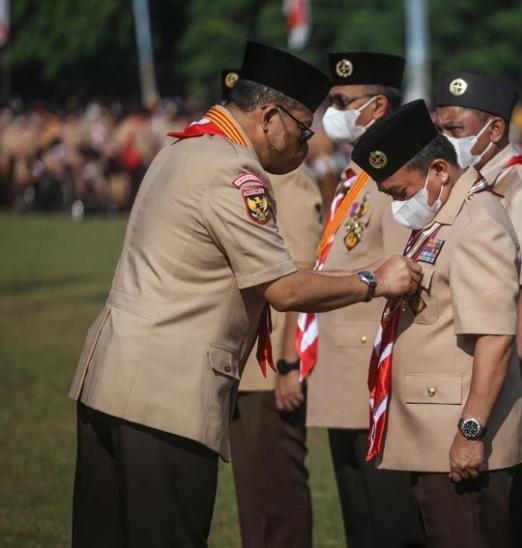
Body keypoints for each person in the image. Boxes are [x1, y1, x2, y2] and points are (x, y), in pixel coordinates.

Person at [69, 41, 421, 548]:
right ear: (269, 116)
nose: (306, 145)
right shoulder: (233, 171)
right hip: (163, 396)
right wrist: (373, 281)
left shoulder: (183, 147)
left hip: (110, 381)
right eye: (303, 130)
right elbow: (284, 286)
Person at [351, 99, 522, 548]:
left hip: (461, 442)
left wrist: (471, 431)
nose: (397, 205)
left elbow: (495, 337)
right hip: (433, 437)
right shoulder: (441, 218)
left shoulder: (475, 225)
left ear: (439, 171)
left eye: (399, 192)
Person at [297, 51, 424, 548]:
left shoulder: (393, 180)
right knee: (360, 522)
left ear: (375, 108)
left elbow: (402, 277)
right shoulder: (357, 176)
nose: (330, 111)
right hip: (343, 374)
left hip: (372, 373)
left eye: (341, 101)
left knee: (388, 522)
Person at [435, 71, 522, 547]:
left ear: (494, 130)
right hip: (481, 381)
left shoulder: (521, 190)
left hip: (504, 386)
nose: (446, 141)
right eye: (441, 130)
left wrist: (508, 382)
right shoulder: (476, 182)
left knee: (501, 518)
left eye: (456, 130)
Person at [220, 68, 323, 548]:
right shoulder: (243, 172)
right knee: (254, 497)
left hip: (271, 371)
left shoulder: (289, 181)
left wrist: (290, 365)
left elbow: (304, 275)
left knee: (275, 496)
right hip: (247, 365)